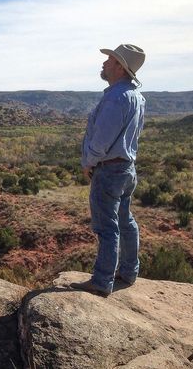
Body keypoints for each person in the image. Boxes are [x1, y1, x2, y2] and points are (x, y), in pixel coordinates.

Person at [71, 44, 146, 297]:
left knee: (107, 227)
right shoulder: (136, 96)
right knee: (126, 220)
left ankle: (102, 281)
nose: (104, 63)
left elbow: (101, 140)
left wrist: (88, 162)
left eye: (110, 59)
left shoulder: (116, 97)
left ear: (120, 67)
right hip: (127, 169)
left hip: (109, 170)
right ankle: (128, 271)